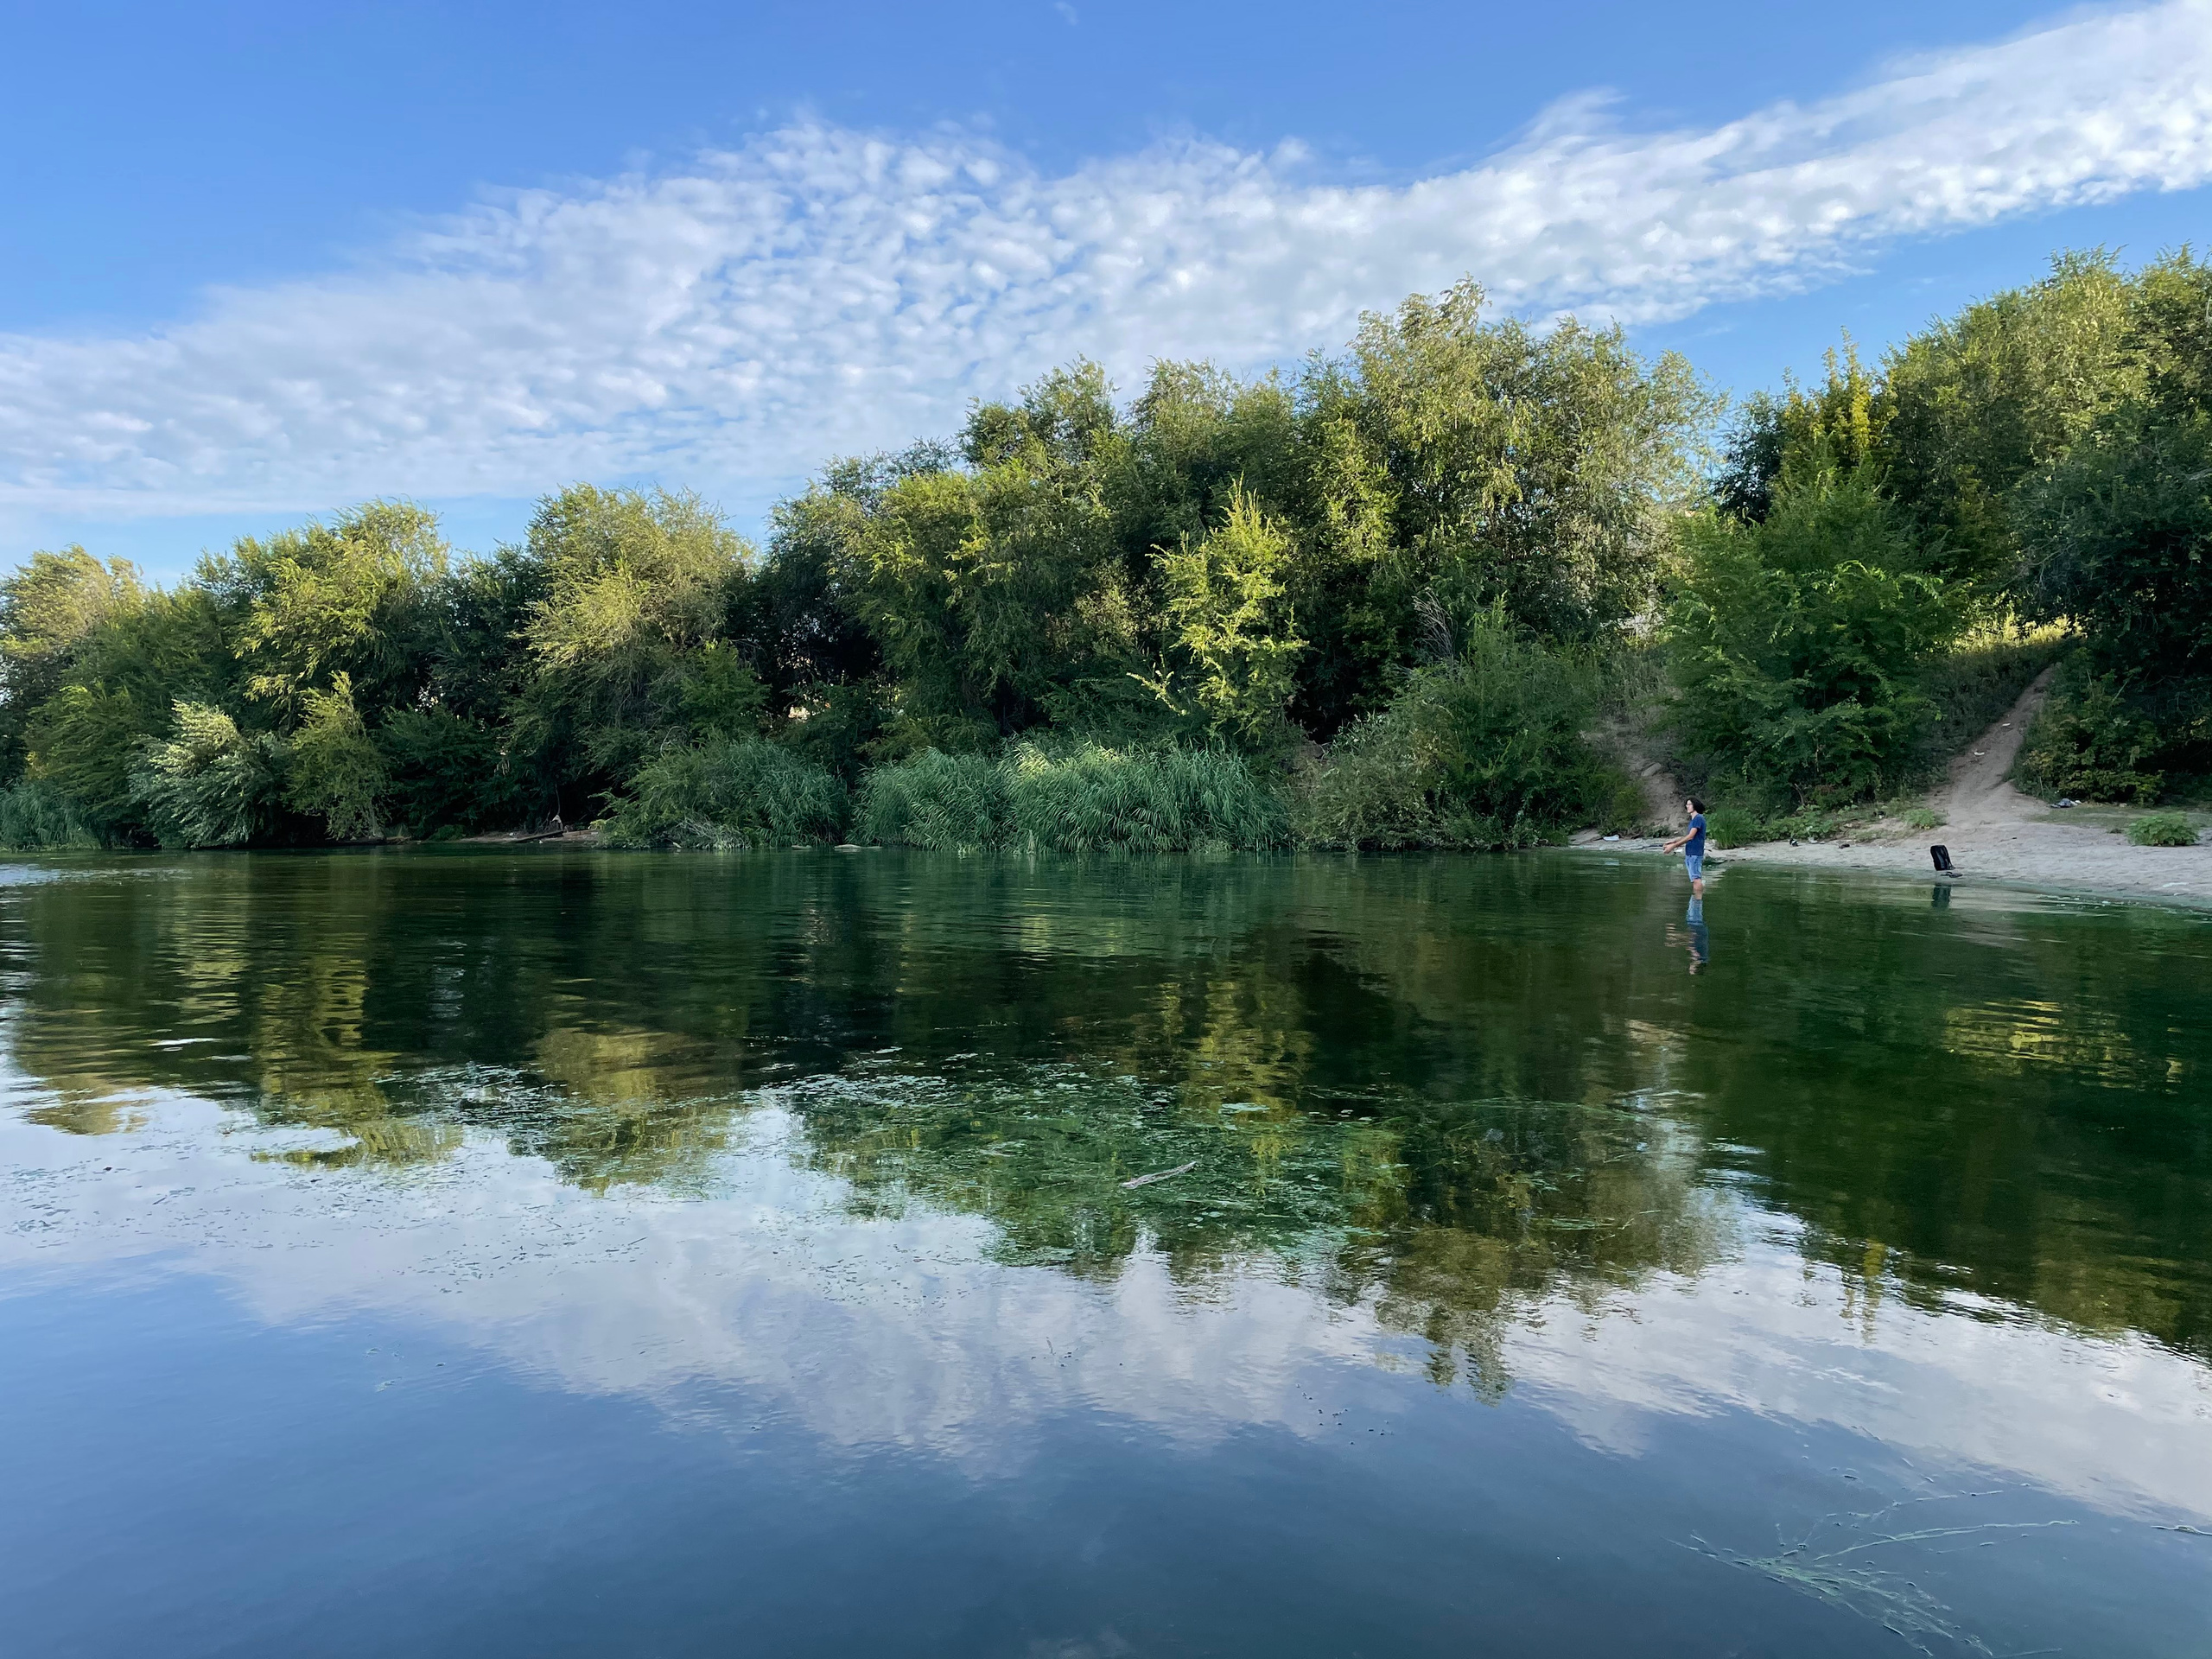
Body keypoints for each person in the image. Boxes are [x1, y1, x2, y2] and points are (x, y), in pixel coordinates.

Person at [1662, 797, 1707, 898]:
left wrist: (1673, 846)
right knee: (1695, 879)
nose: (1687, 806)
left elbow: (1691, 836)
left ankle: (1697, 904)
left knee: (1696, 879)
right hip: (1691, 853)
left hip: (1695, 853)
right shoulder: (1694, 820)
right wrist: (1674, 841)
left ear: (1695, 805)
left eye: (1690, 804)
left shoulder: (1698, 818)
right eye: (1687, 804)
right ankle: (1696, 903)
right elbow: (1689, 836)